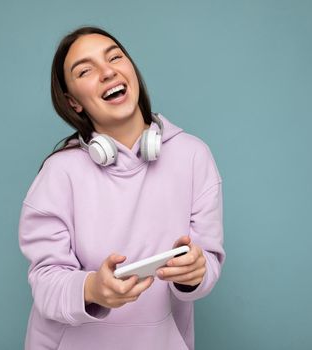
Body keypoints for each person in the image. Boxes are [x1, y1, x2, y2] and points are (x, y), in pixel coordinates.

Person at [18, 26, 225, 350]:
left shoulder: (193, 155)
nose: (107, 71)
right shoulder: (59, 172)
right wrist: (92, 289)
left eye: (114, 57)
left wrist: (196, 271)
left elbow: (208, 263)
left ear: (131, 70)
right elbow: (45, 284)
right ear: (73, 103)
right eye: (85, 70)